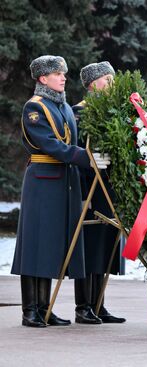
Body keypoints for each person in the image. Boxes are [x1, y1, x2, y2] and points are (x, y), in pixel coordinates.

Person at [11, 55, 110, 327]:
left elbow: (73, 140)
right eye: (57, 73)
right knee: (35, 245)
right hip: (43, 180)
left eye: (63, 73)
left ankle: (45, 309)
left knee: (52, 245)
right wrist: (87, 158)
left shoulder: (63, 106)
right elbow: (50, 144)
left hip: (63, 180)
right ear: (43, 78)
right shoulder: (35, 107)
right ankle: (30, 310)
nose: (63, 77)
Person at [72, 61, 126, 324]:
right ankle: (83, 306)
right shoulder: (79, 113)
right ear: (93, 84)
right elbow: (78, 150)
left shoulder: (113, 110)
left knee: (106, 245)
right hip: (90, 185)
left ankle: (99, 304)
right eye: (107, 79)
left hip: (110, 186)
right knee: (89, 245)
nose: (111, 83)